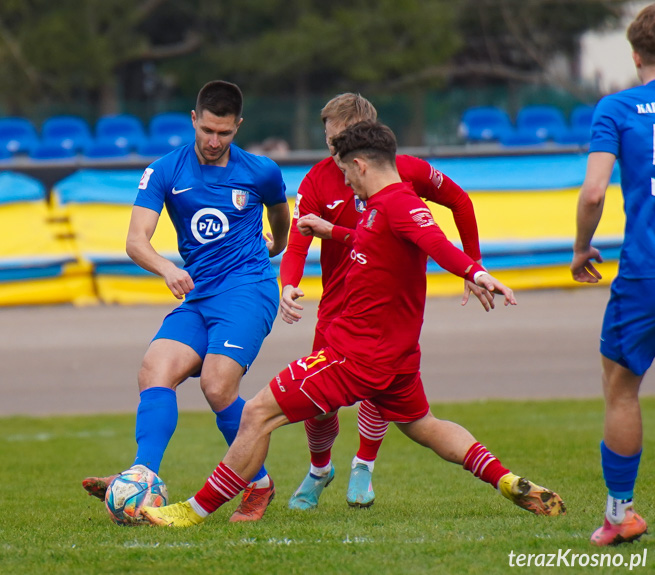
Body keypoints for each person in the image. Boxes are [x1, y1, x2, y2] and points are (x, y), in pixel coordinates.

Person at [141, 120, 565, 527]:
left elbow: (435, 242)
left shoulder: (399, 203)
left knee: (256, 414)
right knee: (425, 426)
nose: (345, 183)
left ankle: (190, 512)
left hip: (353, 355)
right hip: (396, 358)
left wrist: (475, 272)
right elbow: (374, 240)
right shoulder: (381, 206)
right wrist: (332, 231)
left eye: (347, 173)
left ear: (360, 165)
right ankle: (506, 480)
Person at [82, 80, 290, 522]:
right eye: (207, 130)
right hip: (198, 293)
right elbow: (136, 241)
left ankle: (258, 484)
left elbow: (280, 217)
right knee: (153, 369)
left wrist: (275, 246)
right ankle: (142, 476)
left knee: (217, 386)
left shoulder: (262, 171)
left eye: (225, 133)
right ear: (193, 120)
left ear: (238, 127)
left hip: (248, 289)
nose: (214, 142)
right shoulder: (164, 171)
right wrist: (167, 268)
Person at [279, 93, 491, 510]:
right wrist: (288, 284)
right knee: (318, 404)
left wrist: (475, 264)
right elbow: (299, 241)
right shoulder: (316, 180)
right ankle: (320, 468)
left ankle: (365, 464)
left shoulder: (403, 172)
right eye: (328, 138)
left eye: (339, 139)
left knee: (382, 392)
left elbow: (460, 201)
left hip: (390, 308)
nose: (333, 150)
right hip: (337, 309)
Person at [571, 3, 655, 547]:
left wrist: (581, 249)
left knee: (621, 389)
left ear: (633, 53)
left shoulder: (617, 108)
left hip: (646, 274)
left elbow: (595, 191)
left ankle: (621, 514)